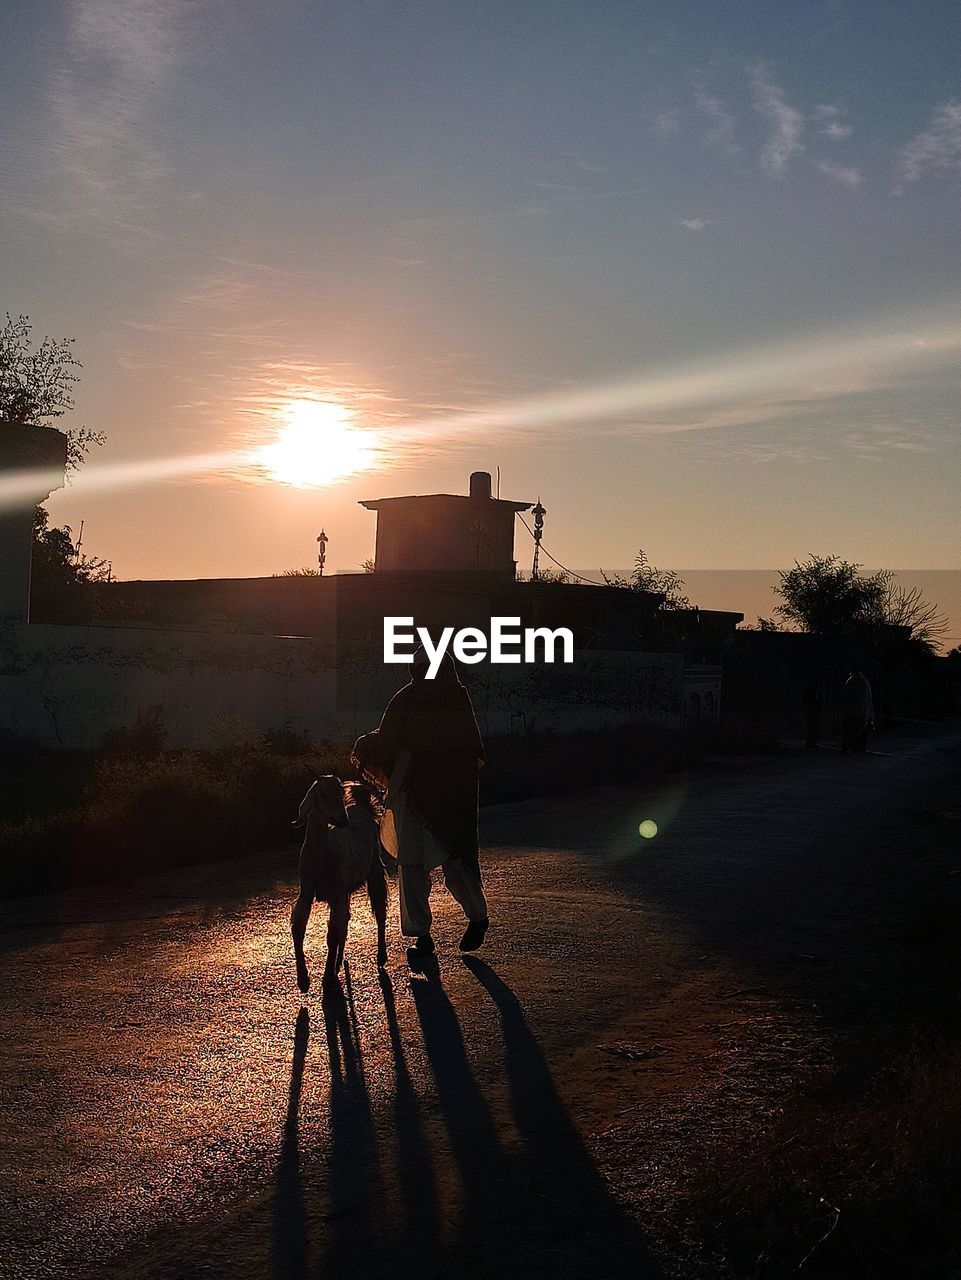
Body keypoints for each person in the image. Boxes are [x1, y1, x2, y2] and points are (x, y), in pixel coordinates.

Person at [352, 648, 489, 962]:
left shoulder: (452, 700)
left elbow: (469, 750)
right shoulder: (408, 700)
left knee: (455, 861)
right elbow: (388, 741)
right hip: (414, 799)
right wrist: (371, 744)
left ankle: (477, 918)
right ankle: (422, 935)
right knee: (414, 866)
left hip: (448, 798)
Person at [840, 669, 874, 754]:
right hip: (859, 711)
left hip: (853, 711)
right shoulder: (863, 682)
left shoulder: (851, 681)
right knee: (857, 731)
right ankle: (855, 748)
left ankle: (848, 747)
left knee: (850, 730)